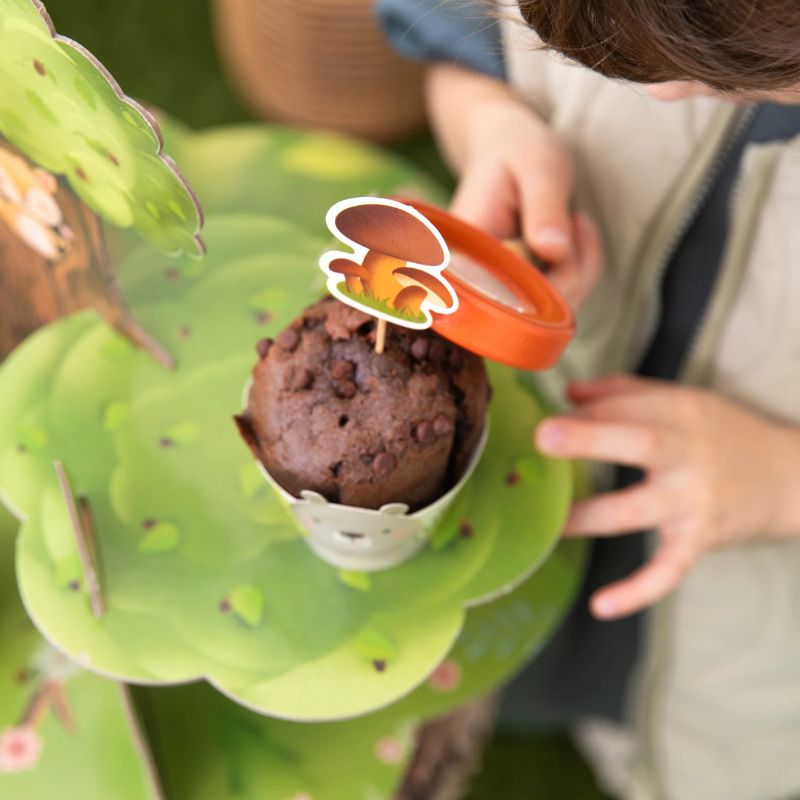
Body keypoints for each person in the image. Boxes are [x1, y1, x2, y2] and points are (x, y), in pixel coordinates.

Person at [377, 2, 800, 799]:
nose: (661, 92)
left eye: (746, 77)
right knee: (519, 616)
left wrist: (780, 479)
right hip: (559, 446)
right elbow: (459, 53)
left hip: (748, 618)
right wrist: (496, 129)